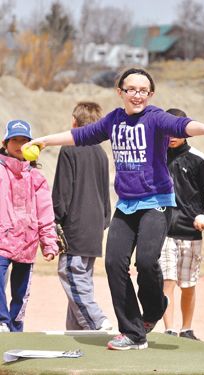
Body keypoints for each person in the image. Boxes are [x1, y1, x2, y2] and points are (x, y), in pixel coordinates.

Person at [22, 67, 204, 350]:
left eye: (144, 90)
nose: (137, 95)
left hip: (157, 203)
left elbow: (183, 126)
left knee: (145, 262)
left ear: (150, 94)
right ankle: (132, 332)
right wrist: (43, 141)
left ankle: (153, 309)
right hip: (127, 205)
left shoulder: (155, 118)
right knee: (114, 262)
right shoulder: (113, 121)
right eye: (131, 89)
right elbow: (79, 135)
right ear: (121, 92)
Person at [159, 108, 204, 340]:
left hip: (190, 232)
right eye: (167, 131)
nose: (172, 136)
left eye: (177, 131)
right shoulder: (156, 157)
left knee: (187, 284)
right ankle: (168, 330)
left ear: (186, 132)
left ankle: (186, 329)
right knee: (168, 280)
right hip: (163, 231)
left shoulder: (198, 159)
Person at [52, 101, 112, 331]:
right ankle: (75, 333)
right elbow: (105, 193)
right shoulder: (100, 153)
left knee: (71, 275)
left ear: (74, 123)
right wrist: (104, 220)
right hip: (95, 226)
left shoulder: (69, 148)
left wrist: (55, 220)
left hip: (75, 227)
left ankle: (98, 322)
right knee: (82, 282)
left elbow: (62, 192)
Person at [0, 120, 58, 332]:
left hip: (27, 242)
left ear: (32, 146)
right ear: (5, 143)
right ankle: (2, 322)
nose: (19, 144)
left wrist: (49, 243)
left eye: (24, 141)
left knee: (21, 292)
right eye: (14, 140)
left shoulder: (37, 178)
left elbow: (45, 214)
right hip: (2, 241)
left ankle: (15, 328)